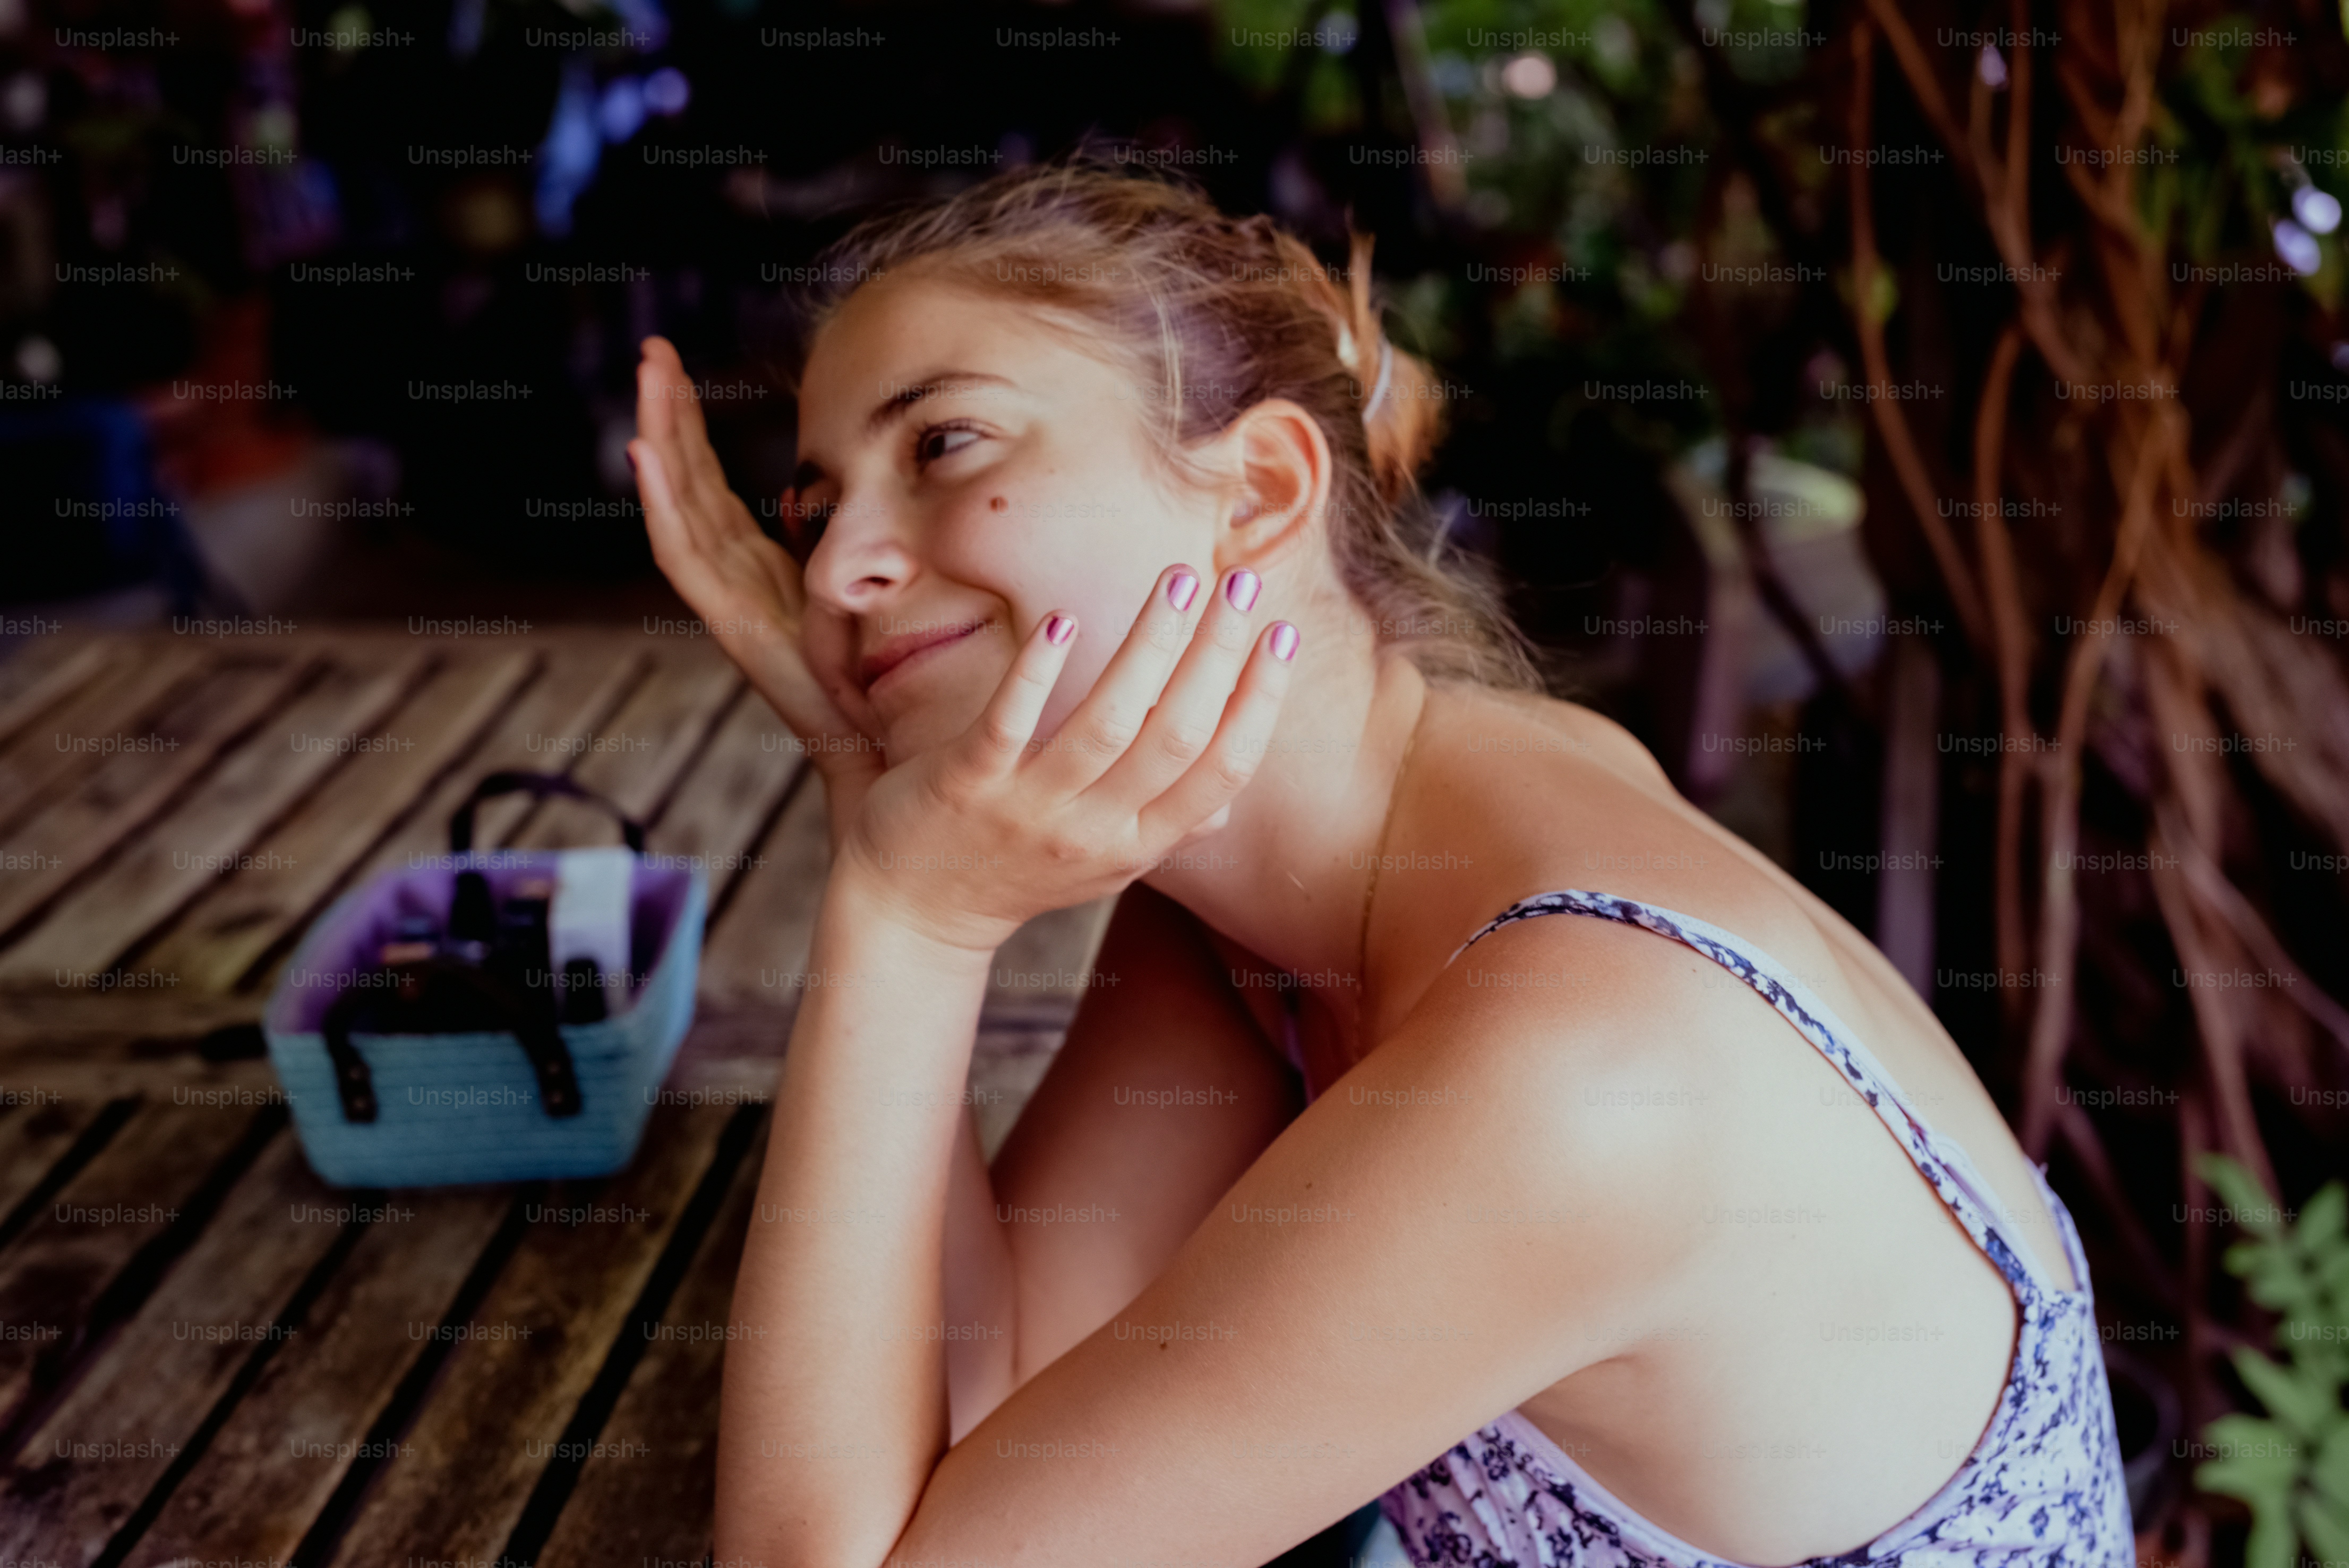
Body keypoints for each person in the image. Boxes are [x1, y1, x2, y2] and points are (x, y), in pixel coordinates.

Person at [626, 157, 2133, 1568]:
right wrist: (865, 789)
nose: (834, 572)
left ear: (1265, 491)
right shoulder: (1266, 895)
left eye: (943, 443)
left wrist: (909, 917)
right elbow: (981, 1408)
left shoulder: (1578, 1064)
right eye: (818, 507)